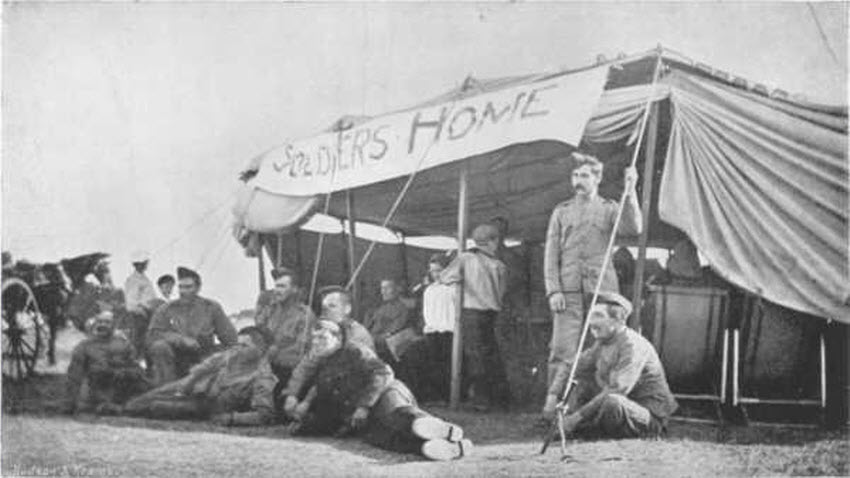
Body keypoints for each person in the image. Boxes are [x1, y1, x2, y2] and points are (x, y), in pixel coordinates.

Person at [285, 320, 473, 461]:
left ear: (338, 338)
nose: (316, 343)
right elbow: (321, 389)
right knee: (382, 438)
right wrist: (306, 414)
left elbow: (383, 372)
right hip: (363, 409)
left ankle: (439, 427)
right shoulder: (323, 361)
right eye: (314, 339)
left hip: (385, 393)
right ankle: (437, 447)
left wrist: (364, 406)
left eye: (322, 338)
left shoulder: (355, 350)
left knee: (397, 417)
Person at [542, 152, 642, 418]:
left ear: (597, 178)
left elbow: (633, 228)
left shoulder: (610, 208)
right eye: (575, 175)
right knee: (563, 350)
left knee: (602, 351)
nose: (578, 180)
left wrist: (630, 191)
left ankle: (592, 409)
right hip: (568, 291)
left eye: (584, 175)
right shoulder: (561, 211)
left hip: (602, 292)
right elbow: (551, 253)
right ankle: (553, 409)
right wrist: (554, 289)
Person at [556, 292, 678, 439]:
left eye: (598, 316)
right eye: (591, 315)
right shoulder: (603, 341)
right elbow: (572, 366)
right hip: (621, 406)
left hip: (647, 415)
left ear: (618, 321)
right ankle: (571, 427)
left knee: (612, 402)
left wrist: (576, 417)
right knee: (583, 384)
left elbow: (618, 390)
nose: (591, 322)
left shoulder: (632, 345)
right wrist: (552, 397)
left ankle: (579, 428)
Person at [124, 326, 277, 426]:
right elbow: (204, 367)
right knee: (152, 395)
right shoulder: (231, 355)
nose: (238, 349)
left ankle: (121, 409)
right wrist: (186, 384)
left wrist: (231, 418)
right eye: (238, 344)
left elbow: (265, 414)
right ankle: (122, 406)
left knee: (157, 406)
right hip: (196, 387)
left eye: (245, 346)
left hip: (204, 406)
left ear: (260, 349)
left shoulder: (262, 377)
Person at [440, 223, 510, 410]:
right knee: (491, 355)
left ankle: (481, 400)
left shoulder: (465, 259)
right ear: (492, 242)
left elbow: (445, 277)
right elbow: (502, 293)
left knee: (476, 357)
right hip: (493, 314)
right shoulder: (500, 266)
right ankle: (499, 399)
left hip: (472, 313)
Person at [279, 286, 374, 408]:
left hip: (353, 394)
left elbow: (339, 375)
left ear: (347, 309)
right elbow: (307, 364)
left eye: (332, 306)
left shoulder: (357, 335)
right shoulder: (326, 331)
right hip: (329, 386)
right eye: (324, 307)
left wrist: (307, 401)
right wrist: (291, 395)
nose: (326, 311)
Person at [146, 266, 238, 386]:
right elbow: (153, 334)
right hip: (174, 361)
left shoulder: (210, 307)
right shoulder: (166, 309)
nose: (183, 291)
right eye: (180, 287)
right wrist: (181, 340)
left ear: (198, 288)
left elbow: (230, 338)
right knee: (159, 347)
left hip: (203, 358)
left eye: (188, 287)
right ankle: (168, 390)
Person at [64, 311, 150, 414]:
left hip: (121, 386)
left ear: (114, 325)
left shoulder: (124, 345)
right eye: (99, 322)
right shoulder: (84, 346)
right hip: (96, 388)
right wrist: (71, 401)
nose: (102, 325)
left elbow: (137, 369)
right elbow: (74, 376)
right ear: (94, 324)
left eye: (107, 322)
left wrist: (121, 372)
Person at [398, 253, 456, 402]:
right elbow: (427, 313)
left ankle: (447, 396)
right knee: (417, 357)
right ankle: (425, 396)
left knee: (445, 365)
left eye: (439, 270)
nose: (436, 274)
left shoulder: (455, 288)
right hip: (432, 332)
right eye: (433, 271)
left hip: (450, 332)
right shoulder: (429, 290)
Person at [254, 267, 315, 386]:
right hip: (264, 369)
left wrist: (271, 356)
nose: (277, 290)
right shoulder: (269, 310)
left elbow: (300, 353)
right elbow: (257, 337)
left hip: (287, 374)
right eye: (276, 286)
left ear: (294, 289)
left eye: (282, 286)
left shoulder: (305, 315)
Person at [363, 279, 415, 365]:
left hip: (386, 351)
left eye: (387, 288)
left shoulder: (401, 309)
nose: (383, 291)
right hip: (371, 346)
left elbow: (391, 334)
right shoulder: (377, 308)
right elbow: (366, 327)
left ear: (397, 289)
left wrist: (369, 339)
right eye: (382, 288)